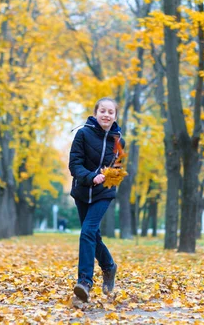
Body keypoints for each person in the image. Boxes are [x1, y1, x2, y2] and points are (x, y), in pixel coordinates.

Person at [68, 97, 124, 302]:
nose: (106, 115)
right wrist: (91, 177)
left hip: (103, 194)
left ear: (115, 116)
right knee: (92, 235)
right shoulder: (83, 134)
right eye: (103, 111)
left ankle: (84, 282)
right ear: (96, 112)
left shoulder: (119, 141)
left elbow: (117, 170)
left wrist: (108, 177)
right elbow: (74, 165)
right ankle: (109, 267)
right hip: (83, 191)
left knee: (87, 231)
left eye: (111, 112)